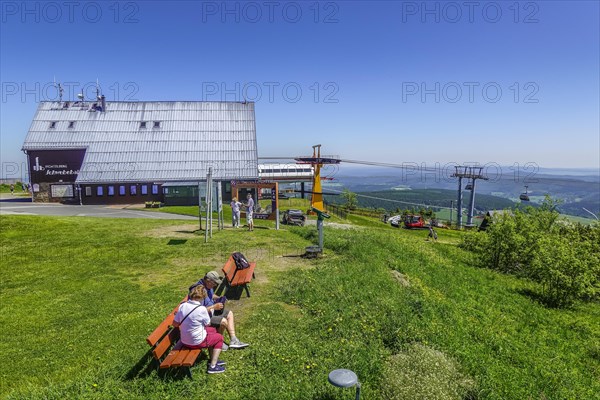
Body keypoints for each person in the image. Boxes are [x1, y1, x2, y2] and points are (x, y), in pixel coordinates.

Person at [189, 271, 249, 350]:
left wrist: (218, 298)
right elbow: (197, 312)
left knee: (229, 313)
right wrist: (213, 307)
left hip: (210, 312)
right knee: (223, 321)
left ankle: (233, 340)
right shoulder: (198, 290)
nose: (215, 285)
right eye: (214, 283)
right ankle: (218, 342)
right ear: (208, 280)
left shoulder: (208, 286)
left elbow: (210, 295)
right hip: (203, 318)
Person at [173, 285, 226, 374]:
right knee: (219, 338)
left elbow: (175, 324)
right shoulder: (201, 309)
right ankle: (213, 366)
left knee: (212, 331)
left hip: (184, 340)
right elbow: (208, 323)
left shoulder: (182, 306)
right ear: (203, 297)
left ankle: (212, 358)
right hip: (196, 342)